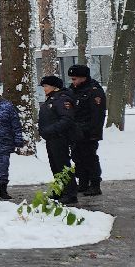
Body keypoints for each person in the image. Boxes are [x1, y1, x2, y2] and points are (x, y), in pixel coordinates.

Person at [37, 75, 79, 204]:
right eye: (44, 86)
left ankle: (70, 193)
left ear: (55, 87)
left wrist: (50, 130)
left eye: (46, 86)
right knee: (55, 165)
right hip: (52, 138)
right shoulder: (52, 99)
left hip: (60, 137)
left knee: (62, 165)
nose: (44, 89)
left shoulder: (61, 99)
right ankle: (59, 189)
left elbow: (66, 119)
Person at [68, 63, 107, 197]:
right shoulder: (73, 89)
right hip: (76, 131)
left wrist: (93, 132)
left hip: (89, 132)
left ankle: (95, 184)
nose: (72, 82)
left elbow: (98, 115)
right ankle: (83, 182)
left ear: (83, 78)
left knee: (90, 158)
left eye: (74, 79)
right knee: (77, 157)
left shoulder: (94, 91)